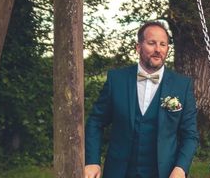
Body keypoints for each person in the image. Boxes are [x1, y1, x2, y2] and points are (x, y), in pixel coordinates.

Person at [84, 20, 199, 178]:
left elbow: (190, 135)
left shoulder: (182, 86)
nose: (158, 49)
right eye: (151, 43)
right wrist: (92, 161)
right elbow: (95, 122)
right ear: (138, 47)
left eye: (163, 44)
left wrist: (180, 169)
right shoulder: (117, 80)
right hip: (119, 172)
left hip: (165, 173)